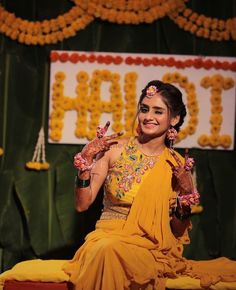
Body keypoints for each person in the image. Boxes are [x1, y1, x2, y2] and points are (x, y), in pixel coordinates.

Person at [63, 80, 236, 290]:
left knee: (111, 252)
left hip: (148, 248)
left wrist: (186, 194)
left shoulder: (177, 165)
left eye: (158, 111)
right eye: (144, 109)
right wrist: (86, 163)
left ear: (174, 119)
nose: (148, 117)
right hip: (105, 238)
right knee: (108, 250)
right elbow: (82, 204)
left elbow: (178, 230)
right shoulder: (114, 150)